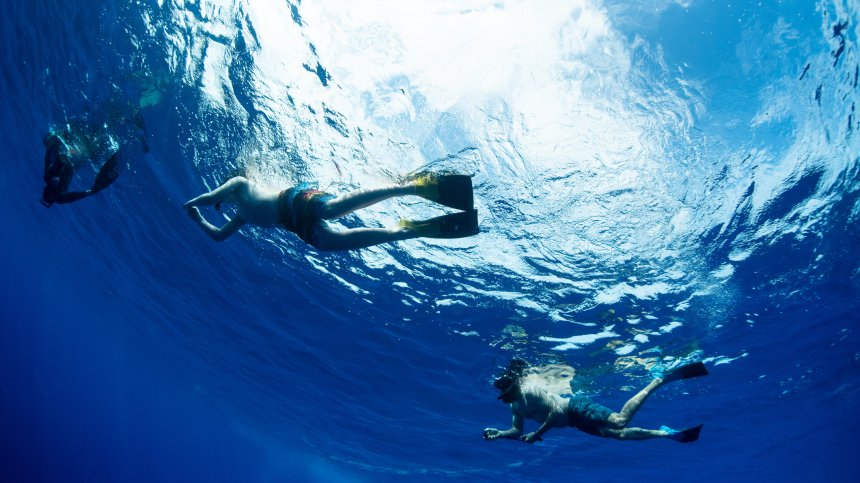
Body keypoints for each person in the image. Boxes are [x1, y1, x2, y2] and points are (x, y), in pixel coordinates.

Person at [184, 173, 479, 251]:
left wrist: (194, 204)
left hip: (294, 199)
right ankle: (407, 231)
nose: (227, 201)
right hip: (292, 222)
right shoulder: (242, 216)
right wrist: (196, 219)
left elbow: (211, 197)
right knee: (328, 243)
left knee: (331, 209)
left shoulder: (241, 184)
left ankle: (412, 188)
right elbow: (220, 237)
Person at [483, 359, 708, 444]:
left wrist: (537, 433)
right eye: (502, 397)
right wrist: (499, 434)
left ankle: (658, 380)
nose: (504, 400)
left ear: (514, 388)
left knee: (620, 421)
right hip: (574, 421)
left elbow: (553, 412)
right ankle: (666, 433)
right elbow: (515, 430)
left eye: (506, 395)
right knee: (618, 435)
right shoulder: (515, 406)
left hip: (576, 407)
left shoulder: (530, 391)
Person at [40, 132, 121, 207]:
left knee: (86, 149)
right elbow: (76, 196)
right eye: (54, 194)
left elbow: (49, 158)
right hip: (73, 164)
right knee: (92, 152)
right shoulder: (60, 198)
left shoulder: (48, 176)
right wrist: (92, 191)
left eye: (52, 189)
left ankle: (96, 137)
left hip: (68, 157)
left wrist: (53, 144)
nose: (54, 186)